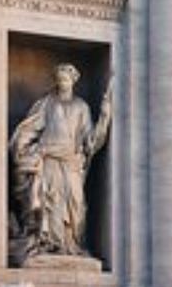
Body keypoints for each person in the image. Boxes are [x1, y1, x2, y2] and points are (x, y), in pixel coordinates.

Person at [9, 63, 111, 259]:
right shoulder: (47, 103)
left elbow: (90, 141)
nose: (62, 83)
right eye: (59, 79)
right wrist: (23, 150)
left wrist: (105, 117)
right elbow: (29, 129)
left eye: (65, 79)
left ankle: (71, 245)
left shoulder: (81, 107)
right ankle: (50, 245)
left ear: (73, 81)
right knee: (50, 202)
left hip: (71, 162)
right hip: (49, 159)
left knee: (76, 204)